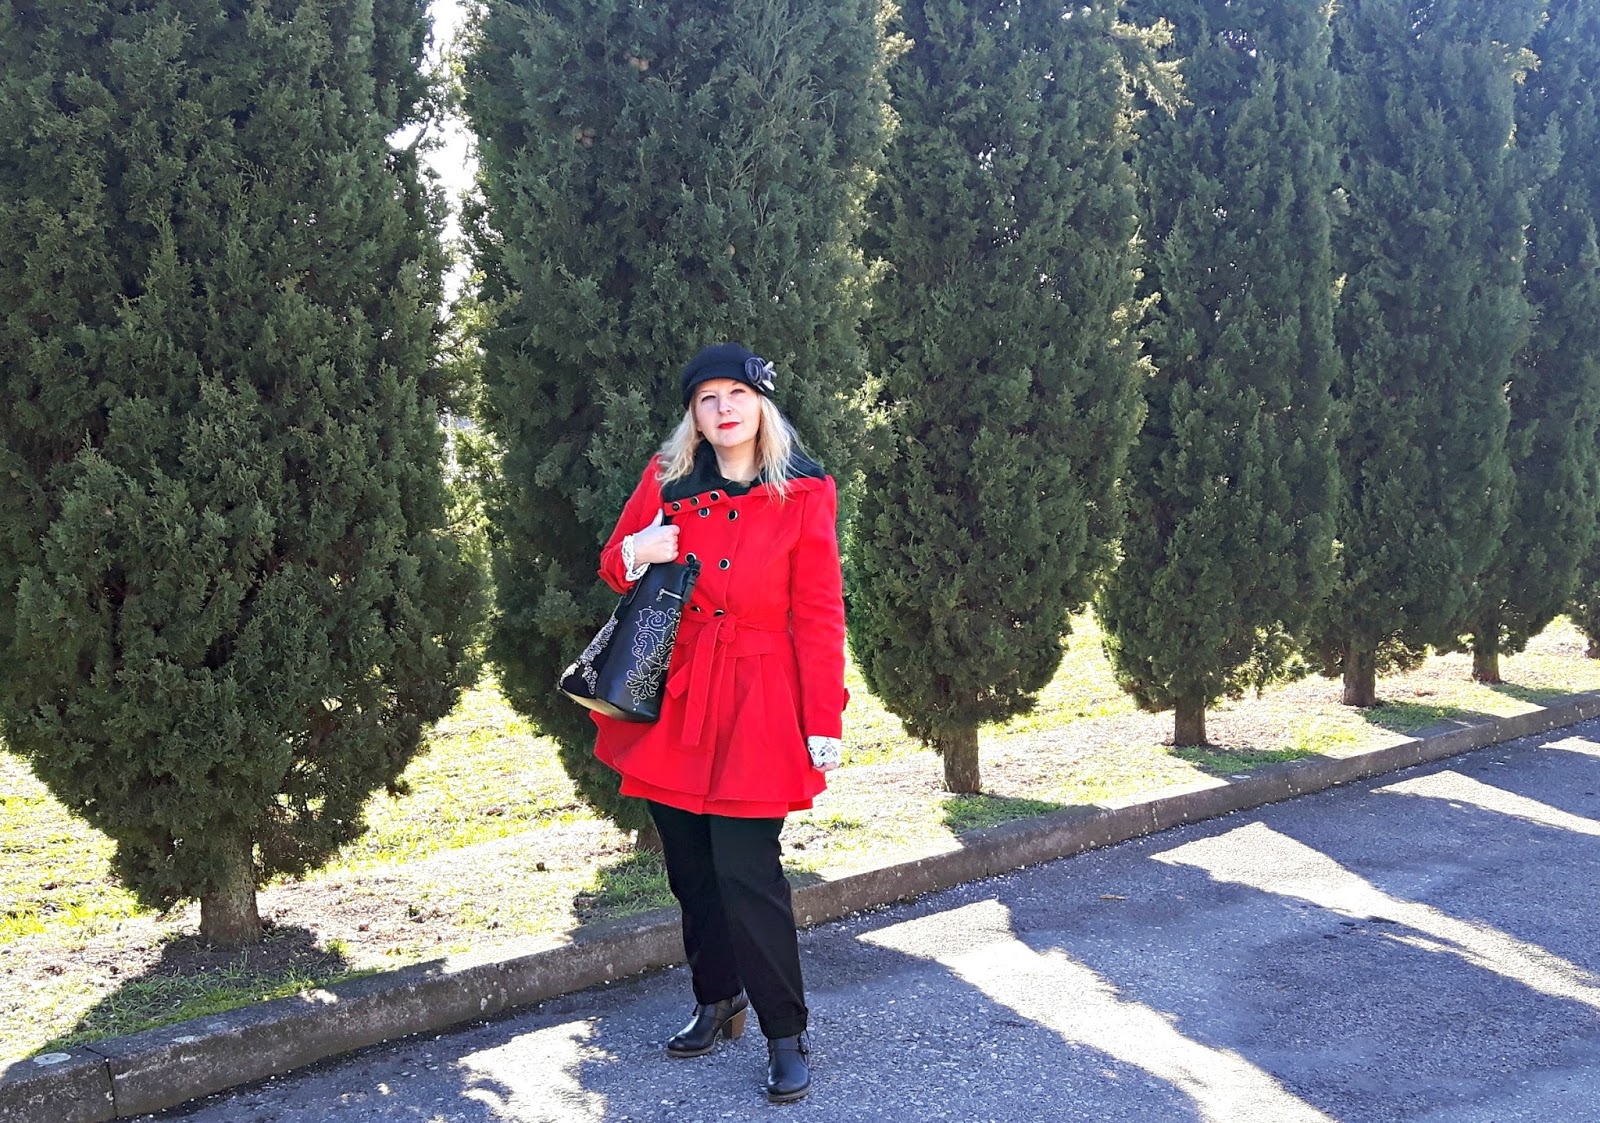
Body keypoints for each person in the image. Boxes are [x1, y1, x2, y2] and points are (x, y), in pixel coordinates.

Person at [590, 342, 847, 1104]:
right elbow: (613, 564)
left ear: (762, 405)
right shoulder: (667, 479)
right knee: (690, 866)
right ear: (694, 416)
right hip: (680, 694)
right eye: (708, 398)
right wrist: (639, 548)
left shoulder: (804, 491)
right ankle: (717, 996)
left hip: (760, 698)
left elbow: (819, 611)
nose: (724, 408)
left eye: (737, 393)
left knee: (747, 869)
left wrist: (823, 716)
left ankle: (785, 1032)